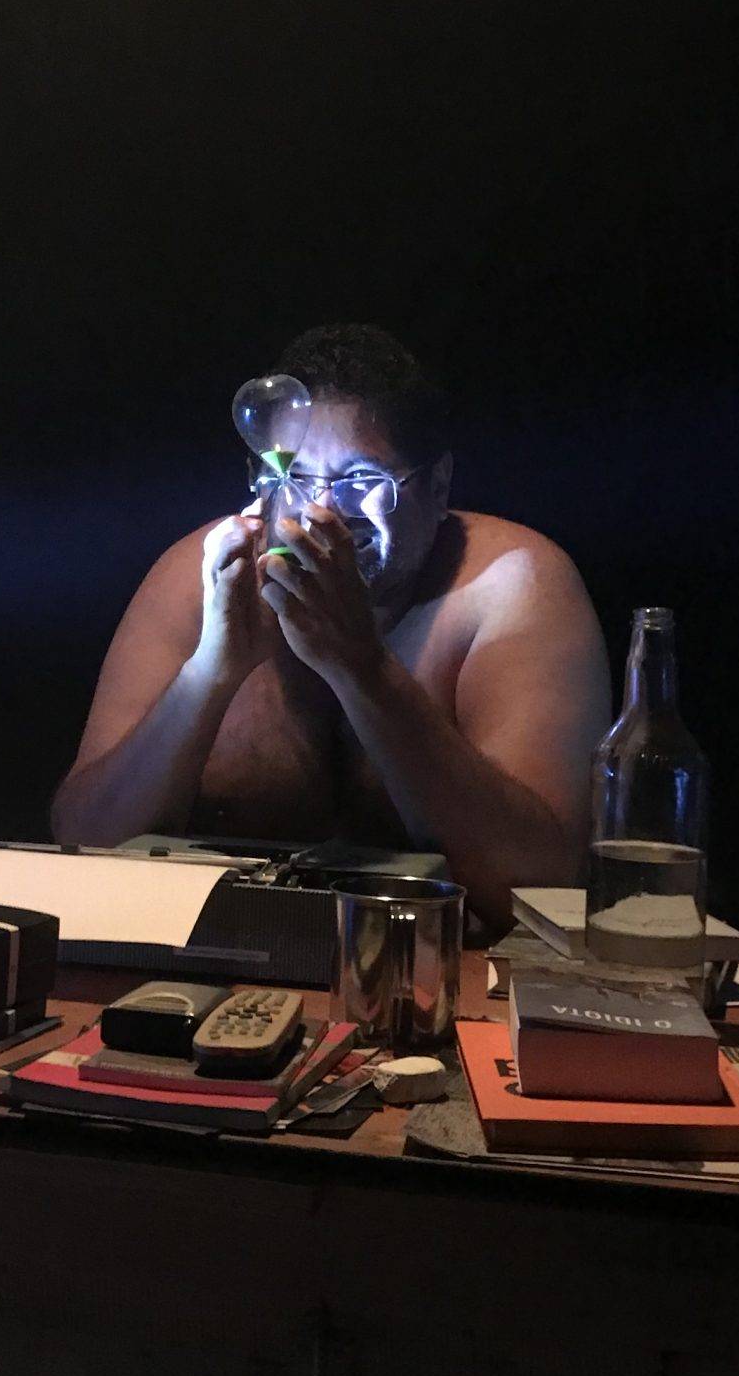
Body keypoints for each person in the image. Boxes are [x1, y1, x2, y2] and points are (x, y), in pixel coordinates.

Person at [50, 324, 610, 928]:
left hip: (437, 970)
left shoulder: (510, 581)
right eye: (295, 479)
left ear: (438, 484)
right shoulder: (203, 575)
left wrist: (361, 667)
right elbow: (83, 843)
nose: (323, 511)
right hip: (220, 960)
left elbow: (541, 887)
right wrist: (209, 670)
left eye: (363, 480)